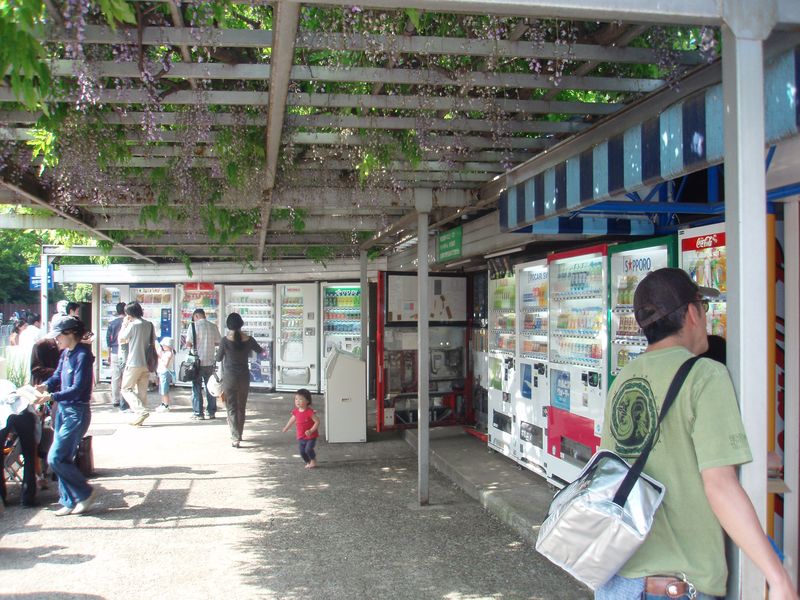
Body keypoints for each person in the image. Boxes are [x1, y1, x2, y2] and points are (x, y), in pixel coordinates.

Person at [596, 268, 796, 600]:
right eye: (703, 305)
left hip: (620, 582)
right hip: (676, 588)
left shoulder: (624, 378)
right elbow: (719, 485)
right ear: (692, 312)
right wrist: (778, 577)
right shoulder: (705, 375)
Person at [34, 316, 99, 516]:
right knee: (63, 457)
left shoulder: (82, 355)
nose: (57, 340)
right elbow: (57, 376)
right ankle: (69, 500)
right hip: (63, 409)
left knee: (56, 457)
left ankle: (85, 493)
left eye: (59, 335)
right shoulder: (65, 354)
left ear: (70, 333)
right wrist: (46, 386)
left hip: (76, 411)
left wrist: (50, 396)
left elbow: (78, 388)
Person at [215, 313, 263, 447]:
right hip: (244, 377)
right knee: (241, 407)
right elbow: (260, 350)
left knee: (231, 408)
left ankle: (235, 437)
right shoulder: (249, 339)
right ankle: (239, 434)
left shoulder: (225, 340)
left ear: (228, 325)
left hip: (229, 377)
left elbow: (218, 358)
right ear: (241, 324)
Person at [0, 382, 40, 508]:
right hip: (23, 412)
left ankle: (1, 497)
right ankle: (28, 498)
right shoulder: (9, 384)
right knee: (29, 455)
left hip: (3, 415)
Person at [118, 302, 155, 427]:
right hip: (147, 362)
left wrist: (124, 324)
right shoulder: (149, 324)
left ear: (129, 314)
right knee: (142, 391)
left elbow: (121, 339)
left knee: (126, 389)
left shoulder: (133, 325)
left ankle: (141, 411)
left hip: (134, 362)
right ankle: (140, 418)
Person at [183, 308, 221, 421]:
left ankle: (198, 413)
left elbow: (188, 344)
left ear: (196, 316)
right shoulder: (213, 326)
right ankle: (211, 412)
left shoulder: (193, 326)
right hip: (210, 361)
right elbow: (218, 341)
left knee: (196, 388)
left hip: (197, 363)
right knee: (211, 388)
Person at [281, 388, 320, 468]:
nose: (297, 401)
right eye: (296, 399)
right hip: (301, 436)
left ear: (307, 401)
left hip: (310, 436)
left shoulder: (310, 412)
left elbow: (317, 421)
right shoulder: (296, 411)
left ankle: (313, 460)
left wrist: (311, 430)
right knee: (302, 452)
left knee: (308, 449)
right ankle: (308, 462)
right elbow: (292, 420)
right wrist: (286, 427)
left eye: (300, 399)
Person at [106, 302, 128, 411]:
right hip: (125, 352)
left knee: (115, 377)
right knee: (126, 377)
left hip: (114, 352)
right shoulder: (128, 322)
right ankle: (125, 400)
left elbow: (108, 340)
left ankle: (115, 400)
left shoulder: (112, 323)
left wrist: (109, 353)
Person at [155, 337, 175, 413]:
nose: (162, 346)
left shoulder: (169, 353)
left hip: (165, 372)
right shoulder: (166, 353)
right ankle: (163, 403)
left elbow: (165, 364)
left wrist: (160, 358)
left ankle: (166, 405)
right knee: (162, 389)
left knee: (164, 390)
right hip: (162, 372)